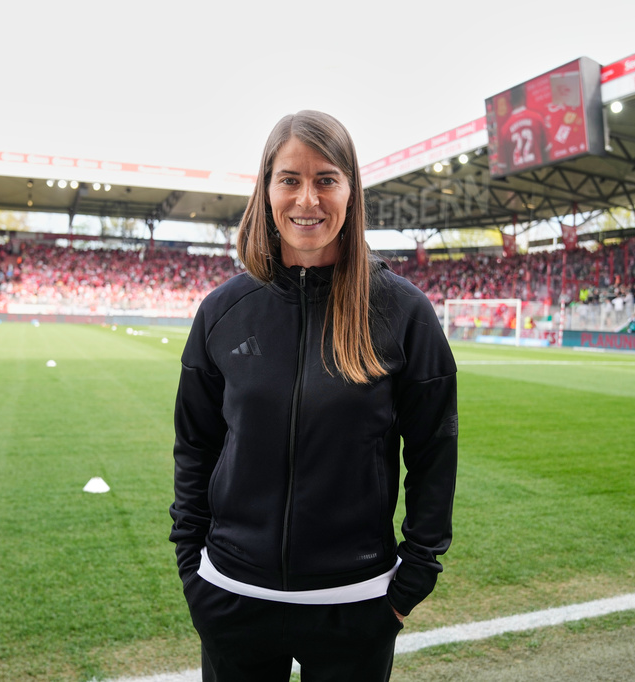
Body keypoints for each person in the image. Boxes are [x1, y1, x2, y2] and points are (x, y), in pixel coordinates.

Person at [169, 110, 459, 682]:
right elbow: (194, 446)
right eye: (290, 179)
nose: (307, 199)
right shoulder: (221, 313)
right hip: (232, 596)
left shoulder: (402, 313)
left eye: (326, 179)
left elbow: (433, 454)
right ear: (267, 188)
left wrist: (410, 581)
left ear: (351, 191)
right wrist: (193, 569)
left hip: (356, 605)